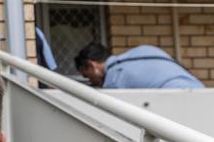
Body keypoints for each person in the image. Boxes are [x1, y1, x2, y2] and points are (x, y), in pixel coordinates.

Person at [75, 42, 204, 89]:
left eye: (88, 77)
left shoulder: (114, 79)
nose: (92, 81)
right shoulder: (142, 51)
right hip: (202, 91)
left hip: (180, 98)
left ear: (92, 65)